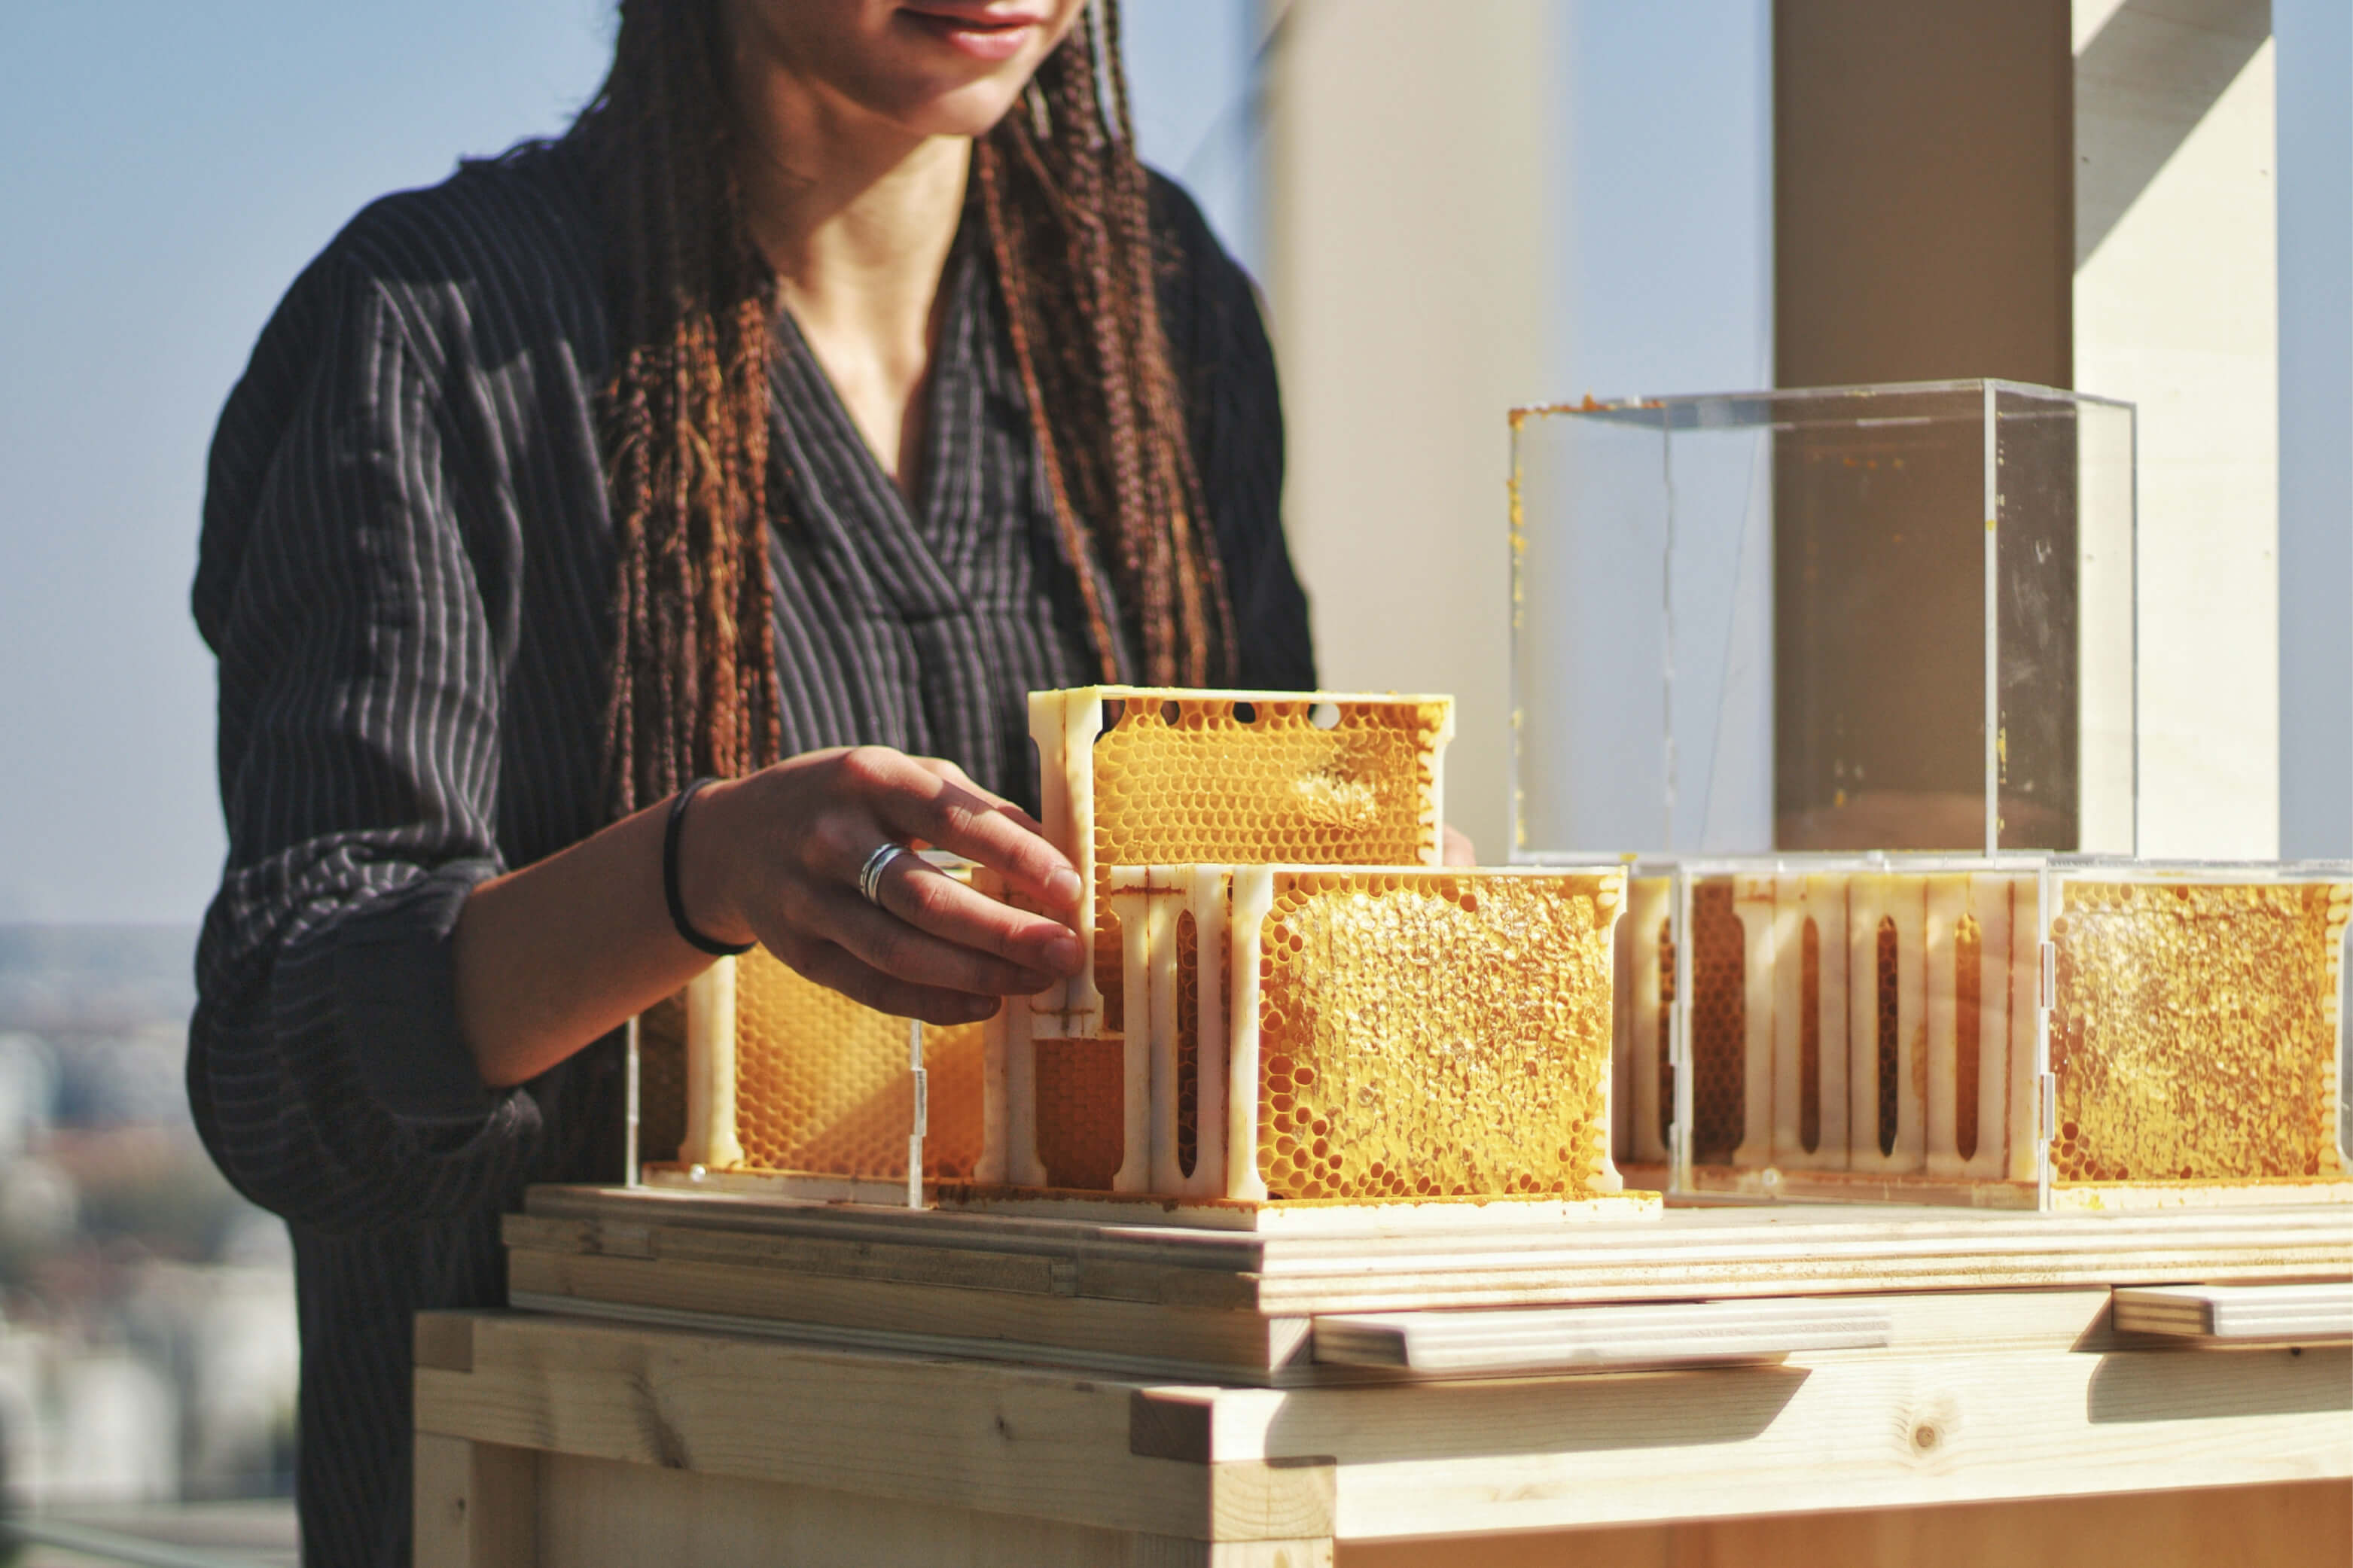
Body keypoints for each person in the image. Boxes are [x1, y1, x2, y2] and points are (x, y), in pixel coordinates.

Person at [189, 2, 1314, 1560]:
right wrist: (695, 874)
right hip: (561, 1507)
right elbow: (290, 1062)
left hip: (1059, 1507)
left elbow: (1250, 939)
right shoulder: (431, 325)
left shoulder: (1156, 304)